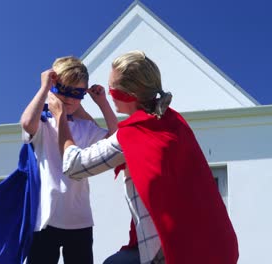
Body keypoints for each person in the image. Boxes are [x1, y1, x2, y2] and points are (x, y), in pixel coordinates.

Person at [49, 51, 239, 264]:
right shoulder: (172, 120)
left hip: (179, 250)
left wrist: (60, 116)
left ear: (127, 95)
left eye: (112, 89)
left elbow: (74, 166)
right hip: (216, 243)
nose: (110, 95)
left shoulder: (134, 132)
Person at [20, 56, 118, 264]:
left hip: (79, 218)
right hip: (45, 218)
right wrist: (45, 87)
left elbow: (115, 138)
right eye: (65, 90)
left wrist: (102, 103)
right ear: (54, 87)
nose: (70, 99)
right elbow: (27, 123)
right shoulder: (44, 124)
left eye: (78, 93)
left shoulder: (84, 127)